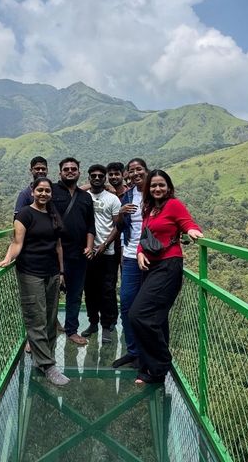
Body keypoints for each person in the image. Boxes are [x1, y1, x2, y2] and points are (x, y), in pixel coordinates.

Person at [130, 169, 203, 384]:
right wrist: (140, 253)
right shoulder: (150, 208)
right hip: (151, 266)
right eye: (153, 186)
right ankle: (152, 370)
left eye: (161, 185)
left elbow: (187, 222)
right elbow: (144, 236)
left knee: (138, 314)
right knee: (156, 319)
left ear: (168, 187)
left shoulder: (173, 205)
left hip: (168, 266)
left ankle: (161, 362)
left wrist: (192, 231)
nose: (157, 189)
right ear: (148, 189)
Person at [0, 177, 69, 386]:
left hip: (52, 271)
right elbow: (17, 242)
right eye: (40, 190)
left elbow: (58, 247)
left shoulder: (54, 214)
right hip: (30, 272)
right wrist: (8, 258)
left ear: (51, 194)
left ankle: (45, 358)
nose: (43, 194)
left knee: (50, 317)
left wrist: (62, 271)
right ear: (33, 191)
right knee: (35, 317)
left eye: (47, 191)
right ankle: (48, 365)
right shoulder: (24, 214)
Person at [52, 158, 96, 345]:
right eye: (66, 169)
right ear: (60, 172)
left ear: (79, 172)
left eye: (74, 169)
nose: (70, 171)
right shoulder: (52, 191)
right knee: (50, 294)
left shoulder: (85, 197)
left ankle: (71, 330)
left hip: (79, 254)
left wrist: (90, 246)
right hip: (53, 253)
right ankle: (45, 332)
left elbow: (90, 225)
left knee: (75, 294)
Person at [112, 158, 149, 369]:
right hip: (130, 255)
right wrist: (121, 213)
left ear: (146, 170)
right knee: (126, 303)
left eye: (139, 169)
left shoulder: (155, 192)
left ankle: (148, 353)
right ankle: (133, 351)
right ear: (128, 174)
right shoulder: (126, 195)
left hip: (153, 257)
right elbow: (119, 225)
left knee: (148, 308)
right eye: (132, 170)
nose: (135, 173)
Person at [81, 164, 121, 343]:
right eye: (93, 176)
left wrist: (105, 244)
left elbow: (117, 225)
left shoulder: (113, 199)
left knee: (107, 290)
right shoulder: (83, 197)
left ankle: (107, 325)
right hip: (87, 252)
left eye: (100, 176)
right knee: (89, 290)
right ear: (89, 178)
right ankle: (93, 323)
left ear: (104, 178)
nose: (97, 178)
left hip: (107, 253)